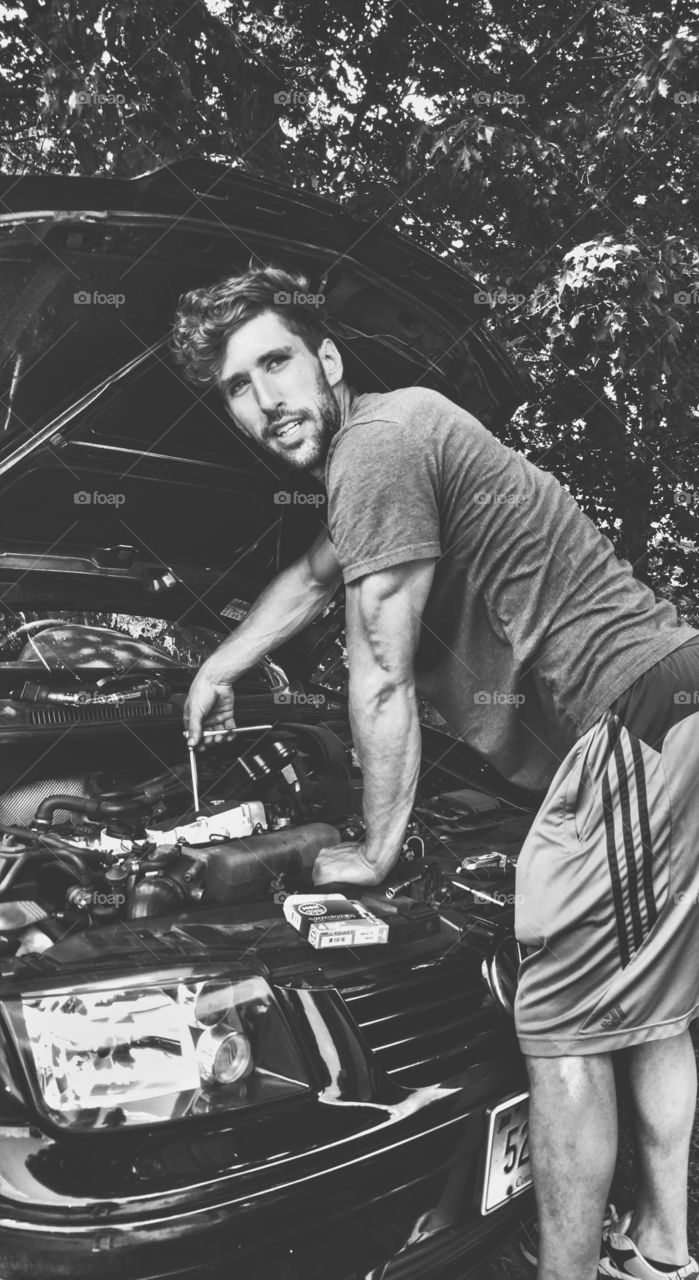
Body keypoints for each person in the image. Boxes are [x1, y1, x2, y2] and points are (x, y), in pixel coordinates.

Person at [172, 265, 699, 1280]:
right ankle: (665, 1249)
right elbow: (320, 574)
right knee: (656, 1011)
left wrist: (373, 851)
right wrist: (216, 664)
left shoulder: (375, 448)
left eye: (276, 360)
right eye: (236, 385)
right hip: (672, 706)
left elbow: (379, 671)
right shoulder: (394, 436)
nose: (263, 397)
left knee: (563, 1027)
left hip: (627, 720)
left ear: (326, 359)